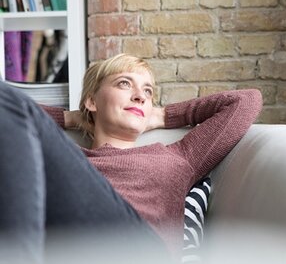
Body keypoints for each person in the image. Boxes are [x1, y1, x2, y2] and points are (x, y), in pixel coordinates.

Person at [0, 53, 262, 263]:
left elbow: (246, 101)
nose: (140, 95)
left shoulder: (178, 156)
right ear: (91, 100)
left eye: (147, 92)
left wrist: (159, 115)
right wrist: (72, 117)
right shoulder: (70, 160)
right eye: (124, 83)